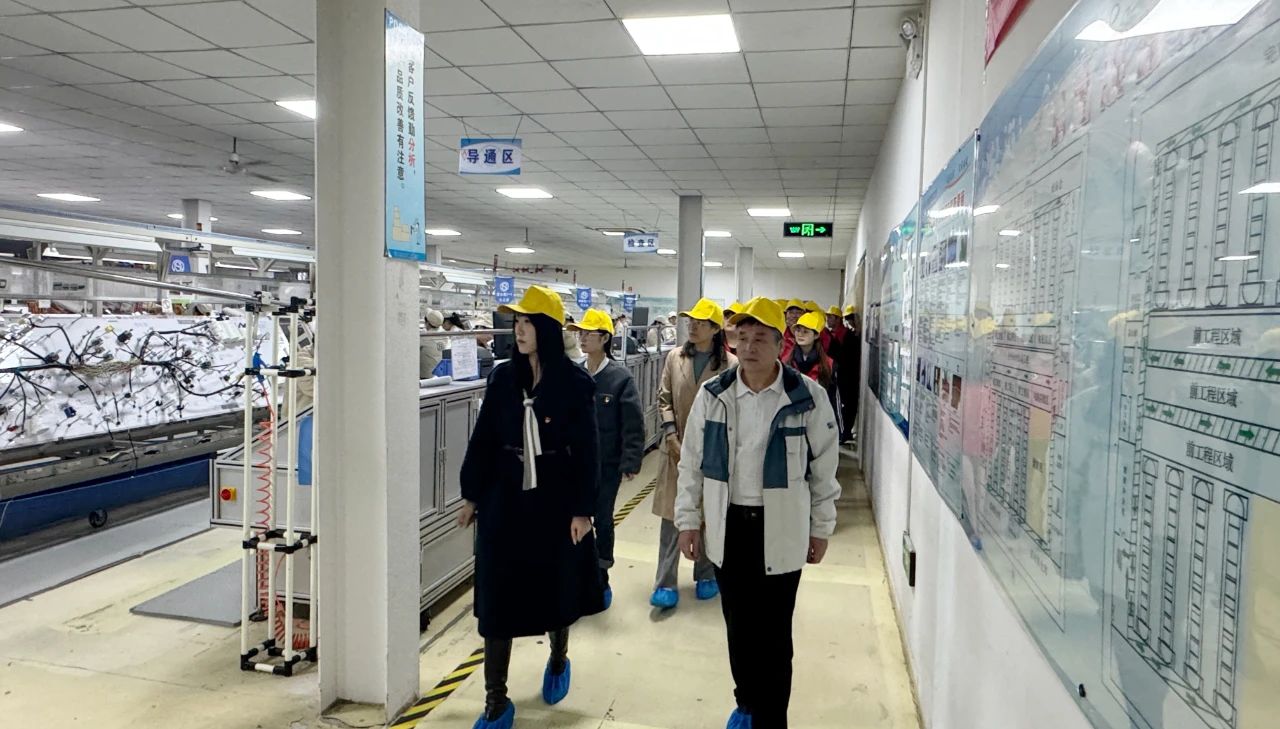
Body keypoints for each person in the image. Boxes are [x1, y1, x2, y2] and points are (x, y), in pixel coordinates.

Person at [674, 297, 841, 729]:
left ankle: (771, 719)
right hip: (729, 526)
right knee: (738, 626)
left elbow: (825, 471)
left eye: (760, 338)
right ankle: (746, 700)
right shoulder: (715, 395)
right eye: (742, 337)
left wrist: (821, 529)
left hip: (781, 529)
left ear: (780, 343)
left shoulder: (806, 398)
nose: (749, 347)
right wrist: (687, 521)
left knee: (774, 635)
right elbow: (691, 463)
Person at [457, 285, 605, 729]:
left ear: (547, 328)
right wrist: (472, 494)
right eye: (516, 322)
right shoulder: (503, 378)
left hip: (555, 497)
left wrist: (583, 510)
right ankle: (496, 699)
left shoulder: (575, 384)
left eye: (527, 322)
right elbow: (484, 438)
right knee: (496, 595)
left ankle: (558, 657)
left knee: (555, 585)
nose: (519, 330)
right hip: (504, 495)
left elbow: (588, 450)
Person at [651, 297, 737, 609]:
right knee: (671, 517)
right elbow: (664, 399)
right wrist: (671, 435)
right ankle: (665, 582)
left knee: (708, 515)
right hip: (675, 449)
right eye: (691, 321)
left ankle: (706, 574)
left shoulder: (731, 365)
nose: (693, 326)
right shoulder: (675, 357)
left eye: (701, 323)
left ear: (715, 329)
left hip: (713, 451)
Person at [568, 309, 645, 609]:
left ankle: (602, 576)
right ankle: (578, 575)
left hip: (606, 465)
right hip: (575, 465)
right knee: (574, 517)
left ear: (604, 338)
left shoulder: (619, 377)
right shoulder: (574, 373)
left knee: (602, 519)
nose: (583, 338)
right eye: (581, 333)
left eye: (589, 333)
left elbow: (633, 422)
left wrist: (631, 461)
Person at [786, 312, 840, 425]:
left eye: (805, 331)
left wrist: (836, 428)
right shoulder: (787, 362)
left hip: (818, 421)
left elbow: (833, 399)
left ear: (816, 335)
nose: (800, 334)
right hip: (793, 421)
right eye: (798, 330)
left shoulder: (829, 365)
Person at [836, 305, 861, 443]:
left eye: (850, 319)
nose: (849, 322)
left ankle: (844, 433)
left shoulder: (847, 335)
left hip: (849, 377)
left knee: (847, 405)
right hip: (846, 376)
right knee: (846, 405)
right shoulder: (844, 335)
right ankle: (844, 432)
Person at [420, 309, 446, 379]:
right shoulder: (445, 335)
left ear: (427, 323)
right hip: (440, 375)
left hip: (426, 376)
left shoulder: (425, 337)